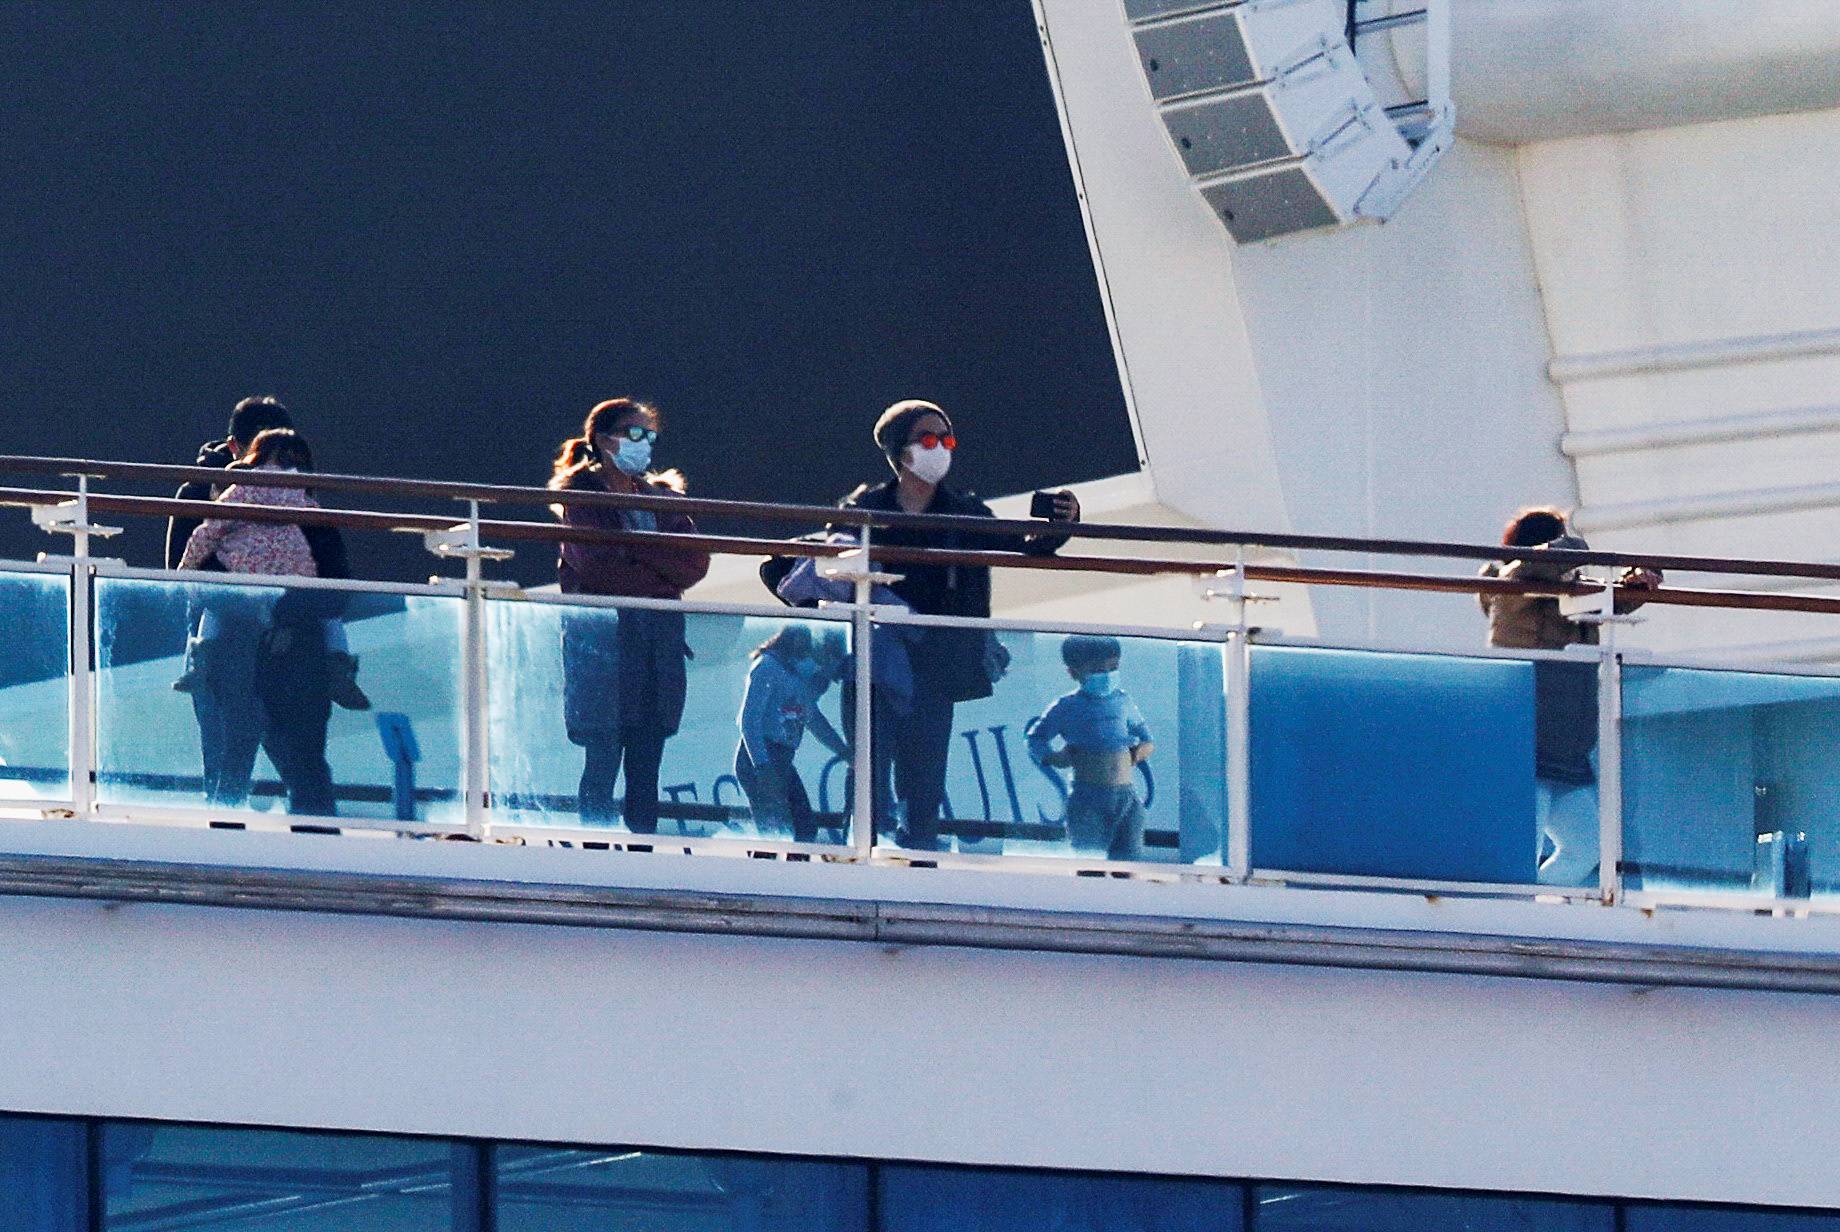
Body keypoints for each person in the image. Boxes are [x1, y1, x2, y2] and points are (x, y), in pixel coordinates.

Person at [832, 399, 1080, 851]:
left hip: (936, 667)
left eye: (947, 440)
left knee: (924, 776)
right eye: (928, 439)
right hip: (875, 663)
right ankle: (859, 859)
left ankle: (919, 859)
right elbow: (817, 562)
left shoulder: (965, 510)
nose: (941, 448)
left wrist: (1062, 523)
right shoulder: (865, 508)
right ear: (900, 451)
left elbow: (1026, 546)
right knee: (867, 770)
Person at [551, 398, 711, 836]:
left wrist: (634, 548)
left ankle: (643, 851)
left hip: (657, 644)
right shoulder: (582, 497)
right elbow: (597, 567)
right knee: (602, 758)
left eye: (650, 435)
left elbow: (694, 564)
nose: (645, 444)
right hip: (603, 647)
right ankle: (596, 852)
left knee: (647, 764)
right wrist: (658, 565)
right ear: (604, 440)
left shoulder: (662, 498)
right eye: (634, 433)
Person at [174, 429, 353, 815]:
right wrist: (286, 617)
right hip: (297, 648)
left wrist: (187, 576)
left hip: (240, 643)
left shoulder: (236, 494)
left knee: (234, 755)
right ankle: (316, 837)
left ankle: (226, 838)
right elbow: (337, 589)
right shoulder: (310, 508)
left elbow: (200, 555)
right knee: (304, 762)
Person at [1480, 506, 1660, 886]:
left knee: (1588, 847)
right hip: (1529, 740)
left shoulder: (1567, 591)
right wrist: (1570, 546)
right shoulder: (1509, 587)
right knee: (1522, 846)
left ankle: (1531, 904)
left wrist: (1640, 580)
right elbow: (1540, 567)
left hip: (1567, 748)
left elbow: (1612, 602)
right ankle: (1515, 913)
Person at [174, 429, 369, 711]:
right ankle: (338, 666)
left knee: (213, 610)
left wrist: (185, 569)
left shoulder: (242, 488)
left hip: (245, 579)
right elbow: (319, 521)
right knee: (331, 618)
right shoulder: (298, 494)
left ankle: (202, 663)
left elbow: (207, 532)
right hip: (295, 581)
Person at [167, 396, 294, 805]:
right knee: (224, 739)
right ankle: (225, 823)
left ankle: (306, 823)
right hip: (222, 631)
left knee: (283, 739)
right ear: (235, 447)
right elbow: (180, 571)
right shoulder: (200, 489)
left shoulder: (292, 490)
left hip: (276, 630)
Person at [1026, 635, 1153, 861]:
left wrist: (1139, 752)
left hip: (1127, 796)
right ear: (1074, 673)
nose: (1106, 675)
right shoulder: (1066, 706)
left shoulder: (1124, 701)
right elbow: (1036, 738)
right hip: (1087, 799)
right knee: (1089, 863)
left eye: (1113, 667)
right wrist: (1053, 758)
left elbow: (1146, 739)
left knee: (1129, 863)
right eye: (1096, 669)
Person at [734, 625, 850, 842]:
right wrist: (762, 766)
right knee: (776, 833)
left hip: (780, 759)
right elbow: (749, 722)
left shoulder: (797, 678)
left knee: (802, 829)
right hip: (761, 758)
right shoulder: (768, 668)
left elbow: (814, 719)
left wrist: (843, 750)